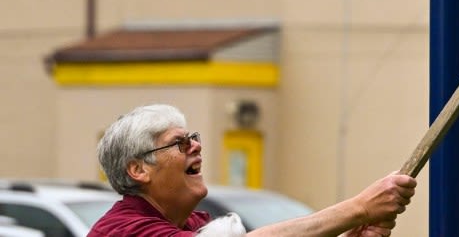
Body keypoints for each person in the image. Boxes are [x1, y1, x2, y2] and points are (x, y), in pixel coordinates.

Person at [90, 104, 416, 237]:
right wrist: (360, 208)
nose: (196, 146)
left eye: (193, 138)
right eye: (179, 143)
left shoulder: (193, 224)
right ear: (138, 169)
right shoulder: (124, 230)